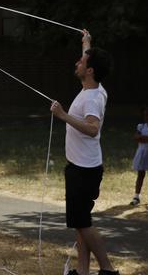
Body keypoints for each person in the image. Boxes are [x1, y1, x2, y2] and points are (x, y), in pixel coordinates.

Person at [48, 29, 118, 275]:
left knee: (83, 224)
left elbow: (92, 129)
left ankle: (108, 269)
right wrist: (87, 42)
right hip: (81, 167)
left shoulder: (91, 99)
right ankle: (83, 271)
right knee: (80, 224)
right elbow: (88, 61)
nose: (77, 63)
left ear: (89, 71)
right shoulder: (95, 89)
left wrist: (63, 115)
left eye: (82, 61)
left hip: (84, 170)